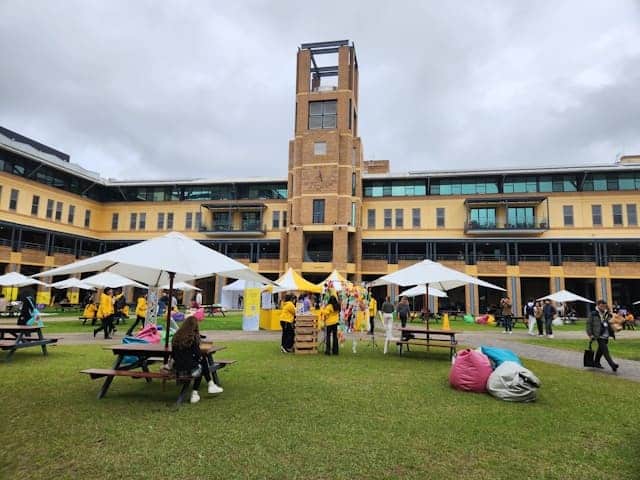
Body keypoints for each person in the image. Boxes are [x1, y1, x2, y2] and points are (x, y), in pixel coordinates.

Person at [172, 315, 223, 404]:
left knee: (200, 362)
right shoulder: (192, 338)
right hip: (189, 369)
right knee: (201, 364)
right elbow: (198, 354)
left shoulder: (176, 337)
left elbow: (174, 355)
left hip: (177, 368)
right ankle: (198, 391)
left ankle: (211, 385)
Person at [586, 300, 619, 372]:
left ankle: (596, 362)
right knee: (605, 350)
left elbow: (612, 322)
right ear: (598, 305)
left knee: (600, 350)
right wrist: (590, 334)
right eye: (601, 306)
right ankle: (612, 364)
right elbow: (588, 324)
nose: (603, 307)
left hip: (606, 334)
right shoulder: (593, 313)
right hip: (598, 335)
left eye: (604, 306)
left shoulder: (607, 314)